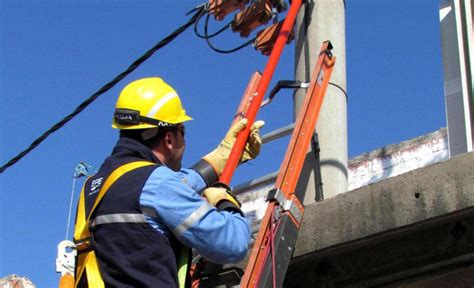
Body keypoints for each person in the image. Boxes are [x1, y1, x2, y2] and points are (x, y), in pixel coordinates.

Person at [73, 77, 265, 287]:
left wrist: (222, 157)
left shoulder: (95, 187)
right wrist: (226, 201)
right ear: (169, 139)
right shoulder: (157, 184)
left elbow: (169, 187)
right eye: (182, 131)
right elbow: (232, 244)